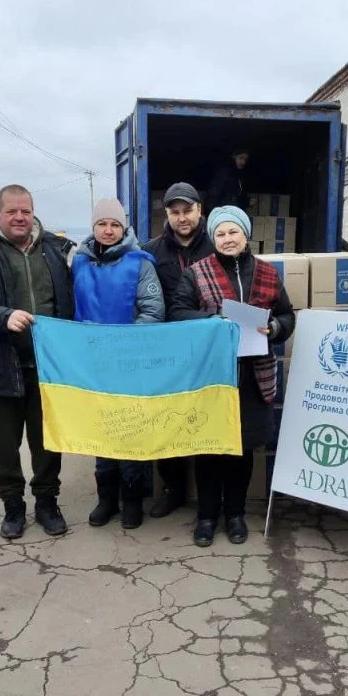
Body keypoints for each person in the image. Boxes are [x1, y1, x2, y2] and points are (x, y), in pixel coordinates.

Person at [171, 204, 295, 546]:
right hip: (212, 377)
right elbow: (178, 312)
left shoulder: (268, 274)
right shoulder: (196, 273)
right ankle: (207, 517)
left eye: (233, 232)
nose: (227, 239)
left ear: (246, 235)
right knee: (210, 449)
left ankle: (235, 515)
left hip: (253, 377)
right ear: (213, 238)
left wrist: (273, 327)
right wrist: (214, 317)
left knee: (242, 450)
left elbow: (287, 316)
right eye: (220, 234)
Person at [0, 184, 73, 540]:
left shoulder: (54, 250)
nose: (20, 217)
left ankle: (47, 503)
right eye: (12, 211)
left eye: (26, 211)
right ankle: (12, 506)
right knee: (6, 447)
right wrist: (3, 316)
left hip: (47, 370)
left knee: (47, 443)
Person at [72, 199, 164, 530]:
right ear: (93, 228)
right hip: (93, 365)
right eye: (102, 224)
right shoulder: (79, 262)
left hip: (129, 362)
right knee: (101, 431)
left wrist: (122, 347)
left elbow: (153, 312)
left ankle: (131, 500)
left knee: (129, 431)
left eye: (115, 224)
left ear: (124, 228)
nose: (108, 230)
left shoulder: (140, 263)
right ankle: (106, 500)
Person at [142, 182, 215, 517]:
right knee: (166, 418)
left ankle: (207, 490)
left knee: (204, 417)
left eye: (188, 210)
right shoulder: (150, 252)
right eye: (175, 212)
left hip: (208, 348)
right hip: (165, 349)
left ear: (201, 210)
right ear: (167, 215)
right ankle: (172, 488)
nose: (182, 218)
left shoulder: (220, 246)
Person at [206, 149, 249, 213]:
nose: (243, 162)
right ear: (234, 157)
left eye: (245, 160)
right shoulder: (224, 173)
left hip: (233, 213)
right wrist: (214, 214)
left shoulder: (239, 175)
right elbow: (214, 196)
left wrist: (247, 201)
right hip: (223, 213)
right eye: (241, 158)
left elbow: (237, 195)